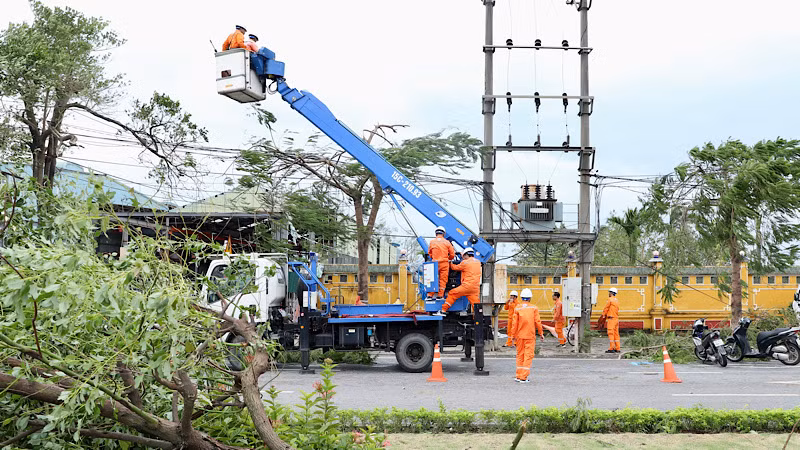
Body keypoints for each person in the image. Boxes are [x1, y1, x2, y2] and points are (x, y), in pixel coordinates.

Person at [511, 288, 544, 383]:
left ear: (521, 298)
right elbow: (537, 322)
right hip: (530, 336)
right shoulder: (534, 308)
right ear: (530, 298)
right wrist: (541, 333)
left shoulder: (517, 308)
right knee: (528, 356)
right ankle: (523, 377)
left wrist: (512, 336)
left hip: (520, 336)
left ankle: (518, 375)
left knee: (520, 355)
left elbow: (514, 324)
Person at [434, 247, 480, 315]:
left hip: (466, 286)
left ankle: (443, 310)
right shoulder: (478, 262)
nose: (463, 258)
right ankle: (479, 319)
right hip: (475, 288)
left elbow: (454, 268)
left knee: (452, 293)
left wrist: (450, 263)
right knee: (476, 304)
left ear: (466, 255)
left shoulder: (465, 262)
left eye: (463, 256)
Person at [427, 226, 455, 299]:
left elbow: (429, 253)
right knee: (443, 280)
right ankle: (440, 295)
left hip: (434, 263)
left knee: (432, 279)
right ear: (444, 233)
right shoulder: (447, 242)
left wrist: (434, 258)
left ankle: (430, 295)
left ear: (436, 233)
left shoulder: (432, 242)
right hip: (444, 263)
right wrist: (448, 259)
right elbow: (452, 254)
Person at [600, 287, 620, 353]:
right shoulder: (616, 301)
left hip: (611, 319)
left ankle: (611, 348)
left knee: (610, 333)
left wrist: (603, 316)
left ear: (611, 293)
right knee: (616, 334)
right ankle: (617, 348)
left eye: (609, 292)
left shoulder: (610, 300)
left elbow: (606, 308)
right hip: (616, 319)